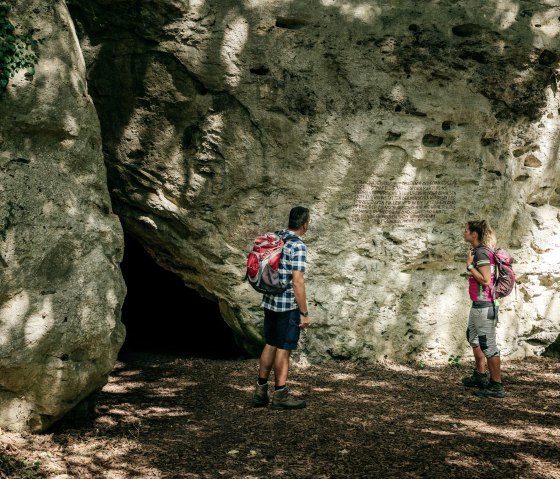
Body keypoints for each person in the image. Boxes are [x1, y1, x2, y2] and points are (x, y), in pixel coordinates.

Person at [251, 206, 311, 410]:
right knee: (284, 349)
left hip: (269, 301)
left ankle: (260, 392)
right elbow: (298, 283)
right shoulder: (299, 246)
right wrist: (304, 313)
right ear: (305, 224)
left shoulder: (277, 238)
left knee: (270, 343)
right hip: (288, 306)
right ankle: (280, 395)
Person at [462, 220, 505, 398]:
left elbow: (486, 280)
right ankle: (480, 375)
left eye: (466, 230)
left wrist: (470, 266)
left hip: (485, 305)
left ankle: (496, 385)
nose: (463, 233)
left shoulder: (481, 253)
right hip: (478, 304)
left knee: (488, 345)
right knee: (473, 337)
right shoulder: (480, 251)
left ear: (474, 234)